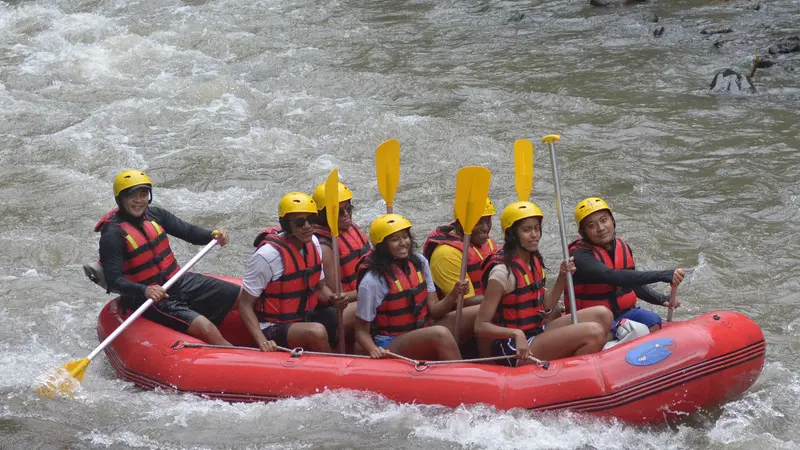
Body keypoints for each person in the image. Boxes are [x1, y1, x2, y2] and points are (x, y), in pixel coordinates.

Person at [94, 169, 238, 345]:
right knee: (205, 327)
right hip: (149, 298)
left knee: (237, 295)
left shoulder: (156, 215)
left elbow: (189, 232)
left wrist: (213, 234)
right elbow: (114, 280)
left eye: (143, 194)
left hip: (177, 281)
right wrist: (144, 290)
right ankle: (243, 359)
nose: (138, 201)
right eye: (132, 196)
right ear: (120, 199)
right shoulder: (112, 235)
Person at [475, 201, 612, 367]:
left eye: (536, 228)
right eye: (527, 230)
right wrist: (516, 333)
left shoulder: (533, 261)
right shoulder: (502, 273)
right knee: (594, 333)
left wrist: (562, 277)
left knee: (604, 315)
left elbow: (547, 306)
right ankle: (569, 375)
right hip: (513, 346)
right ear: (512, 234)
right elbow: (480, 326)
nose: (534, 234)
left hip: (536, 332)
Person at [237, 192, 347, 353]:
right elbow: (244, 305)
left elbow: (320, 286)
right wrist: (262, 340)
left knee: (349, 315)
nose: (307, 226)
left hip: (305, 316)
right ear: (287, 225)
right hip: (273, 326)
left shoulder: (314, 243)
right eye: (300, 222)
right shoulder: (267, 256)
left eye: (311, 220)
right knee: (316, 332)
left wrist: (332, 299)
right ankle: (333, 369)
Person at [354, 214, 473, 361]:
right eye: (395, 239)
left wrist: (454, 293)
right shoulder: (373, 280)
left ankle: (487, 360)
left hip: (422, 330)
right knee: (440, 333)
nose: (403, 243)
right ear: (383, 245)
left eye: (405, 236)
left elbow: (435, 310)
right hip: (391, 343)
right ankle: (462, 377)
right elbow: (360, 330)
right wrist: (374, 350)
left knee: (478, 312)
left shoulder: (420, 262)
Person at [569, 197, 685, 334]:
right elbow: (613, 277)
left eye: (604, 220)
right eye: (591, 226)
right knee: (618, 333)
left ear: (612, 220)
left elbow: (631, 283)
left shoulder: (622, 247)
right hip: (594, 319)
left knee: (653, 321)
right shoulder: (580, 256)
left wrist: (661, 299)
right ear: (583, 233)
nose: (600, 228)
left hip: (622, 313)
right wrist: (661, 275)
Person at [311, 181, 371, 349]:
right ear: (324, 215)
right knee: (374, 302)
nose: (346, 215)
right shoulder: (324, 246)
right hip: (332, 312)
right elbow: (336, 297)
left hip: (356, 298)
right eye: (339, 211)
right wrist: (371, 291)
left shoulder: (350, 229)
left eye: (348, 208)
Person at [423, 198, 497, 307]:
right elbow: (464, 303)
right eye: (478, 222)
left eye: (488, 220)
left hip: (486, 304)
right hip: (456, 315)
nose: (485, 228)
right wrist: (503, 295)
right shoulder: (446, 254)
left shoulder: (487, 241)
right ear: (461, 222)